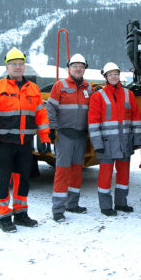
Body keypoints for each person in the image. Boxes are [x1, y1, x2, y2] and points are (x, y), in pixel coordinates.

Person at [0, 47, 51, 232]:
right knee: (3, 180)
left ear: (24, 66)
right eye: (13, 64)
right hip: (3, 144)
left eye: (20, 64)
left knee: (23, 180)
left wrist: (44, 137)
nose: (17, 67)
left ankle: (20, 214)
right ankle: (3, 217)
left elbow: (41, 115)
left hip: (24, 144)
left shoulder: (32, 89)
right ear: (7, 67)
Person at [88, 62, 141, 216]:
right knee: (105, 175)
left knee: (124, 175)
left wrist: (137, 140)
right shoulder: (98, 96)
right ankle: (105, 206)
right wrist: (97, 143)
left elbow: (136, 119)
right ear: (106, 77)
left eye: (116, 74)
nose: (114, 76)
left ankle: (121, 203)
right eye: (110, 74)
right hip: (106, 145)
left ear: (119, 76)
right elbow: (93, 122)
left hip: (125, 144)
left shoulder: (128, 94)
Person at [46, 53, 93, 222]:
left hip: (80, 136)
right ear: (69, 68)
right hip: (64, 135)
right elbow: (50, 108)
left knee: (76, 171)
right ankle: (58, 209)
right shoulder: (60, 86)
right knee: (62, 172)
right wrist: (52, 128)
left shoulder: (88, 87)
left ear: (84, 69)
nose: (78, 69)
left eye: (81, 66)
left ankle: (73, 204)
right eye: (75, 66)